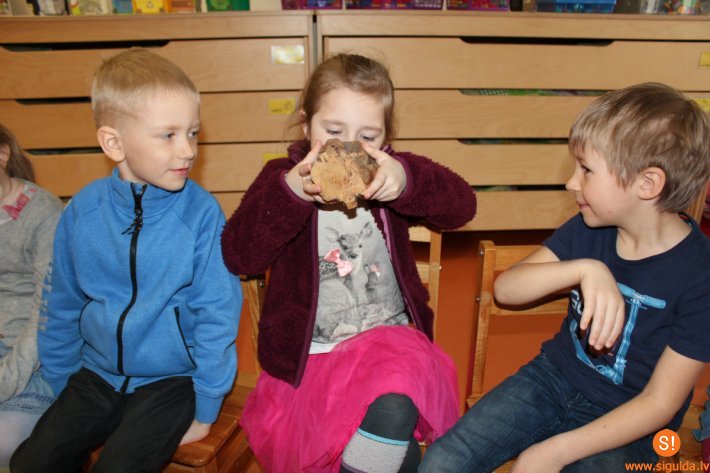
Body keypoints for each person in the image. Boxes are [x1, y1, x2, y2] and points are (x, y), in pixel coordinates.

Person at [420, 82, 710, 473]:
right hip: (551, 380)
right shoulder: (589, 228)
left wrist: (554, 452)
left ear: (647, 184)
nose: (571, 182)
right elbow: (507, 289)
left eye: (586, 170)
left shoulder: (700, 276)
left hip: (634, 425)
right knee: (442, 461)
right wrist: (585, 269)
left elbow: (659, 404)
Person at [221, 53, 477, 473]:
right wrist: (290, 194)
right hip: (311, 358)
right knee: (393, 456)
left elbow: (462, 207)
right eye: (334, 131)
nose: (349, 147)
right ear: (306, 125)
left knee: (395, 407)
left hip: (389, 343)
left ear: (386, 137)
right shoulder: (281, 178)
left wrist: (406, 180)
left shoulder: (390, 174)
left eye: (368, 136)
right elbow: (239, 254)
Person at [10, 48, 242, 473]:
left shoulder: (201, 214)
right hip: (95, 374)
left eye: (192, 132)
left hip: (172, 381)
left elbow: (217, 315)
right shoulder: (82, 212)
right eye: (168, 135)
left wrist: (207, 405)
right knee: (32, 462)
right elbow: (61, 303)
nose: (188, 150)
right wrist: (62, 382)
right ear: (114, 143)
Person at [0, 123, 63, 468]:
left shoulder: (43, 213)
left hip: (29, 360)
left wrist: (5, 380)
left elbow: (47, 313)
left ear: (2, 154)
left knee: (5, 444)